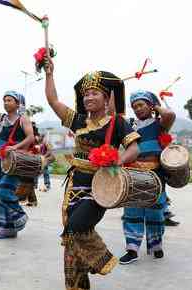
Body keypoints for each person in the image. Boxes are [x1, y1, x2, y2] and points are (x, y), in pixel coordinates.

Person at [44, 58, 140, 290]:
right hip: (74, 186)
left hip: (101, 188)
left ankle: (101, 259)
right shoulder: (77, 121)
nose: (88, 97)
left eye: (94, 93)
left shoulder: (117, 123)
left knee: (75, 228)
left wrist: (118, 159)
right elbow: (53, 100)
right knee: (70, 243)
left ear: (107, 98)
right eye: (86, 94)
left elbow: (134, 148)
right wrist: (49, 74)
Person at [120, 90, 175, 264]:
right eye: (134, 106)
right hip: (133, 172)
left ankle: (156, 244)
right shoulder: (129, 125)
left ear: (150, 106)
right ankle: (132, 249)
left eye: (141, 105)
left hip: (155, 172)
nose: (137, 109)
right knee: (132, 210)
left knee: (155, 210)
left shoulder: (160, 124)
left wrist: (155, 103)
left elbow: (170, 114)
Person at [0, 74, 35, 239]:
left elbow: (31, 138)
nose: (5, 102)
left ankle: (19, 216)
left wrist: (14, 147)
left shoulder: (23, 119)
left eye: (9, 100)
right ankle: (7, 229)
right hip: (5, 162)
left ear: (17, 104)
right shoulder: (2, 119)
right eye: (4, 100)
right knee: (4, 193)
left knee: (3, 190)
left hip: (17, 160)